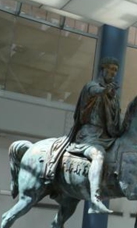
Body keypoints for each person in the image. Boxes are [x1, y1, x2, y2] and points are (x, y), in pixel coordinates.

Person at [46, 57, 122, 214]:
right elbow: (94, 91)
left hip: (107, 136)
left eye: (115, 70)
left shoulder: (112, 96)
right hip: (89, 135)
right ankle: (95, 199)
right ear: (103, 69)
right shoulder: (92, 86)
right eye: (111, 69)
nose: (113, 73)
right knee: (98, 155)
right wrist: (104, 91)